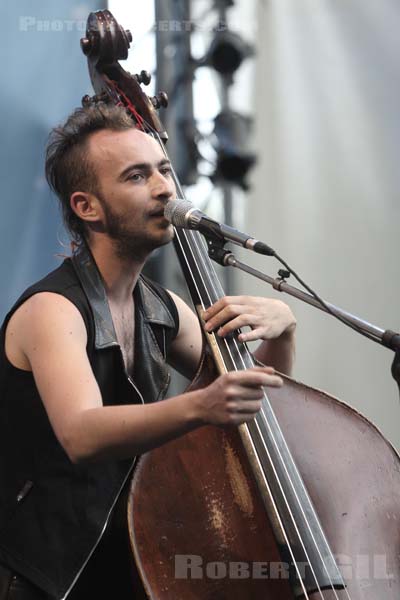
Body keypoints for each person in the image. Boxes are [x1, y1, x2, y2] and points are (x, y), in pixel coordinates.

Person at [0, 104, 296, 600]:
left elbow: (253, 399)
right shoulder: (53, 310)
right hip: (44, 577)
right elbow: (81, 432)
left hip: (128, 563)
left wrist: (284, 332)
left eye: (163, 170)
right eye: (137, 176)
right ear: (86, 206)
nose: (164, 188)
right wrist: (199, 405)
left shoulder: (162, 309)